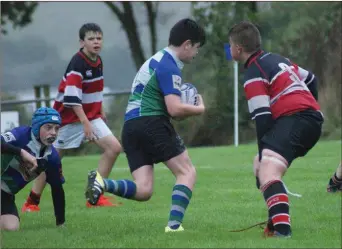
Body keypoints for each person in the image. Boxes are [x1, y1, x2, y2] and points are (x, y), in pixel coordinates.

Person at [85, 18, 206, 233]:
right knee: (187, 172)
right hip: (151, 123)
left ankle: (102, 183)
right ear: (187, 44)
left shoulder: (157, 59)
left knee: (144, 190)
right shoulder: (169, 66)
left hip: (131, 127)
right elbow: (175, 109)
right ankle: (174, 226)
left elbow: (171, 109)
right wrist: (198, 108)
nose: (196, 53)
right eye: (196, 47)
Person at [228, 21, 324, 238]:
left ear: (238, 49)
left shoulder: (253, 72)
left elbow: (262, 118)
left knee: (267, 168)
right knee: (260, 166)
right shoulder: (278, 60)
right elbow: (312, 79)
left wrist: (265, 154)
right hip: (310, 119)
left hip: (296, 119)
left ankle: (282, 232)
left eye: (230, 45)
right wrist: (312, 109)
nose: (230, 49)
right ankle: (274, 222)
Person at [22, 23, 122, 211]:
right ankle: (32, 203)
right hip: (67, 120)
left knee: (114, 148)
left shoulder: (98, 60)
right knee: (51, 161)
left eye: (99, 38)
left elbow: (95, 89)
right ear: (82, 42)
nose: (96, 42)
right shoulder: (78, 63)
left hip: (89, 116)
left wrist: (99, 111)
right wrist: (85, 123)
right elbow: (71, 98)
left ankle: (95, 197)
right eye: (91, 39)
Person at [1, 107, 65, 230]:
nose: (53, 132)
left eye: (57, 128)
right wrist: (21, 152)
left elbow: (57, 189)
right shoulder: (20, 135)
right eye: (48, 127)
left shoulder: (52, 158)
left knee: (11, 228)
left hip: (4, 194)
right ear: (36, 127)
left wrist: (60, 223)